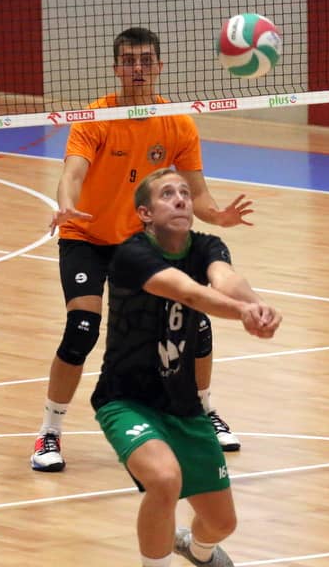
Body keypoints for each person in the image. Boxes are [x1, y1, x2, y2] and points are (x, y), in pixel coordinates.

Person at [31, 27, 254, 472]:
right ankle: (49, 433)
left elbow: (198, 193)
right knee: (82, 328)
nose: (138, 68)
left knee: (197, 324)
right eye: (129, 61)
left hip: (137, 245)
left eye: (146, 60)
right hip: (86, 237)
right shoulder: (96, 118)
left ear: (159, 66)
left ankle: (204, 410)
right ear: (117, 68)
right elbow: (72, 173)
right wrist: (66, 205)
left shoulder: (177, 123)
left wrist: (218, 216)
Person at [92, 168, 280, 567]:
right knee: (163, 480)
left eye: (184, 192)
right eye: (166, 194)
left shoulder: (207, 245)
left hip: (184, 406)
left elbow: (225, 280)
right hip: (127, 401)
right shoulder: (132, 255)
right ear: (145, 213)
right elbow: (190, 293)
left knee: (221, 523)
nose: (180, 199)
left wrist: (257, 305)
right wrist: (242, 313)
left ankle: (196, 550)